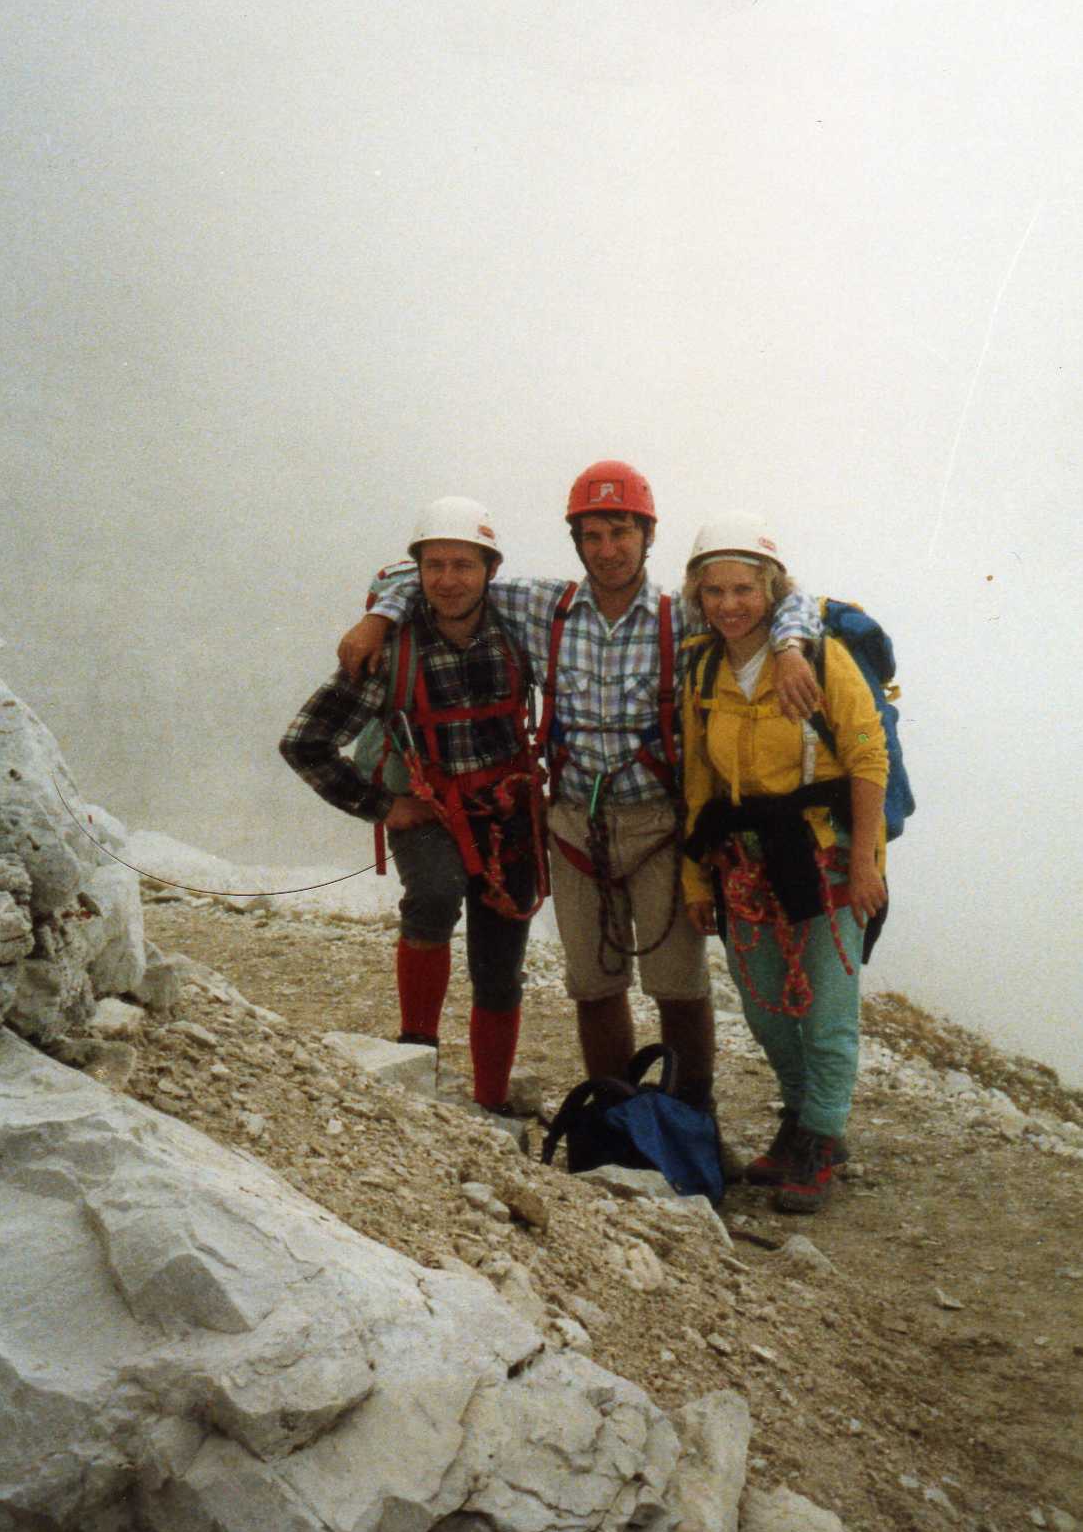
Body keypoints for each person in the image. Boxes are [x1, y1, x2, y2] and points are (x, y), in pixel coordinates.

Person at [338, 462, 823, 1142]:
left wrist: (793, 646)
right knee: (594, 986)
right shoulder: (542, 606)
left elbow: (788, 598)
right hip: (571, 822)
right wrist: (379, 617)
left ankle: (690, 1127)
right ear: (577, 542)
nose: (606, 548)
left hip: (658, 821)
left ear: (646, 536)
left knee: (678, 983)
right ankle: (621, 1125)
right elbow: (432, 574)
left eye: (619, 531)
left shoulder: (683, 612)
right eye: (591, 535)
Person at [280, 497, 543, 1115]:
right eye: (434, 566)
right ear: (416, 572)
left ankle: (490, 1101)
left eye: (464, 566)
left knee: (501, 958)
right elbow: (304, 742)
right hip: (428, 807)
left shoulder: (518, 635)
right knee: (432, 896)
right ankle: (417, 1051)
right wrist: (382, 805)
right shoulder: (389, 651)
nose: (448, 580)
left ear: (489, 572)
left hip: (508, 811)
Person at [680, 513, 888, 1213]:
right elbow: (699, 781)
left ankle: (820, 1137)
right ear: (698, 596)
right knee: (767, 1009)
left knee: (826, 1013)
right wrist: (693, 875)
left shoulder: (821, 658)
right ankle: (806, 1120)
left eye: (744, 588)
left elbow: (866, 757)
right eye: (715, 592)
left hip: (823, 857)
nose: (729, 604)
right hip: (745, 862)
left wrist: (866, 865)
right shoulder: (704, 667)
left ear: (771, 590)